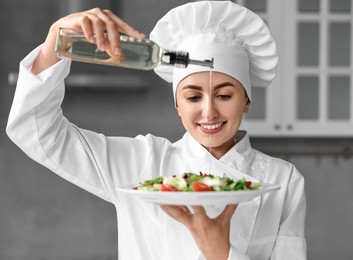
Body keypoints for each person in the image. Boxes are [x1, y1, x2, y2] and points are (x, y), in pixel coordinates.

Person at [6, 1, 306, 259]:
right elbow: (37, 130)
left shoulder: (283, 180)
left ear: (246, 102)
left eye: (224, 95)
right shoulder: (142, 163)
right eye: (193, 97)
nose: (209, 111)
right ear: (178, 104)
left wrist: (222, 253)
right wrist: (54, 45)